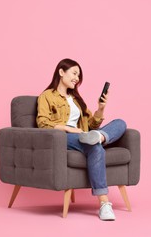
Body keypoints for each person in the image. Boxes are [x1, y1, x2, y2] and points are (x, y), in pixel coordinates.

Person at [36, 58, 127, 221]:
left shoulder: (76, 100)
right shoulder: (47, 96)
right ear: (61, 72)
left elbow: (92, 123)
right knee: (94, 147)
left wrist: (100, 108)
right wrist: (70, 129)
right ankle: (104, 204)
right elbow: (42, 123)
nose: (77, 78)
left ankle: (99, 137)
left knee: (120, 123)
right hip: (65, 137)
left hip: (85, 135)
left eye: (79, 76)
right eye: (74, 73)